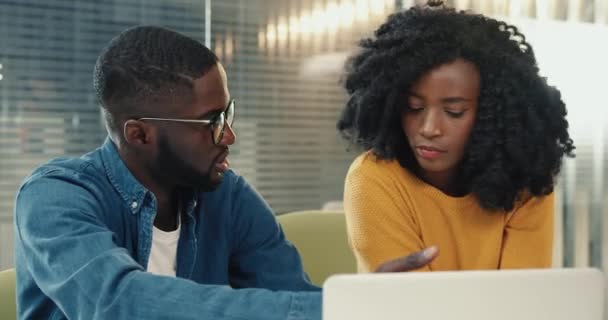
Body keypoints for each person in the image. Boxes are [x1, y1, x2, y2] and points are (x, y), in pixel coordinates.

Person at [14, 26, 438, 320]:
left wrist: (358, 301)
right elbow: (117, 305)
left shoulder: (226, 195)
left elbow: (292, 300)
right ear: (140, 134)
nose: (229, 135)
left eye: (228, 113)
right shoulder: (55, 197)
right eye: (211, 122)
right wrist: (334, 309)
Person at [337, 1, 575, 273]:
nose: (428, 128)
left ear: (492, 114)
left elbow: (520, 303)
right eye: (413, 107)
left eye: (454, 111)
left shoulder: (526, 181)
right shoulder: (373, 180)